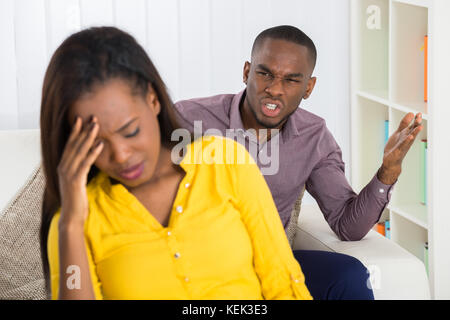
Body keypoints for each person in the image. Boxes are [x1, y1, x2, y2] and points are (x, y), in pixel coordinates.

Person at [39, 26, 312, 300]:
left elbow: (283, 281)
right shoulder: (75, 219)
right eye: (96, 142)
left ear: (153, 100)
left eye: (130, 130)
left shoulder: (226, 162)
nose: (120, 155)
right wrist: (72, 224)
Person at [174, 25, 423, 300]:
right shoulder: (187, 119)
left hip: (269, 269)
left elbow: (346, 225)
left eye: (291, 80)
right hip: (192, 267)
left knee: (349, 275)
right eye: (265, 73)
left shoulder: (313, 137)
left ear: (309, 87)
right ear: (247, 72)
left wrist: (388, 170)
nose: (274, 89)